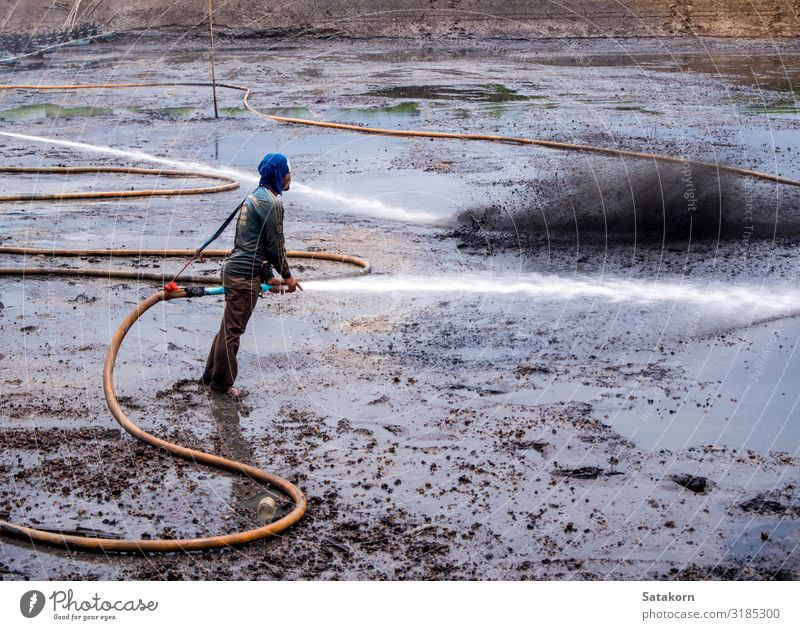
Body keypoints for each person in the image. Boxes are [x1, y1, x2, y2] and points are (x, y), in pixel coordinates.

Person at [201, 153, 302, 397]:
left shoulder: (255, 197)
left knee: (228, 327)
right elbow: (276, 245)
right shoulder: (271, 203)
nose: (291, 177)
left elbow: (254, 244)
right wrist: (287, 275)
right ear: (279, 175)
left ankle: (209, 377)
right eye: (288, 172)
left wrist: (267, 276)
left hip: (237, 270)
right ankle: (221, 386)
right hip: (244, 277)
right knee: (232, 332)